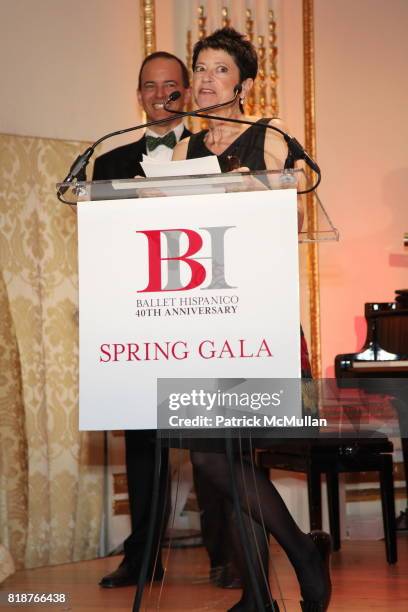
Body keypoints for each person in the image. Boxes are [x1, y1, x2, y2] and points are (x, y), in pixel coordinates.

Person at [173, 28, 332, 612]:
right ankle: (263, 590)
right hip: (200, 319)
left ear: (243, 82)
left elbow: (292, 211)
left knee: (229, 456)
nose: (207, 78)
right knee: (213, 459)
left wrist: (261, 192)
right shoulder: (183, 152)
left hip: (253, 315)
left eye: (219, 69)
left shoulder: (269, 138)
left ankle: (295, 564)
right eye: (201, 68)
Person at [94, 51, 191, 588]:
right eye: (150, 87)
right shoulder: (108, 163)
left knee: (210, 447)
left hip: (203, 316)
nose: (160, 96)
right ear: (138, 94)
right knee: (142, 442)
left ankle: (233, 556)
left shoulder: (211, 153)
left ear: (184, 93)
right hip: (139, 318)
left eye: (171, 87)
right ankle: (142, 554)